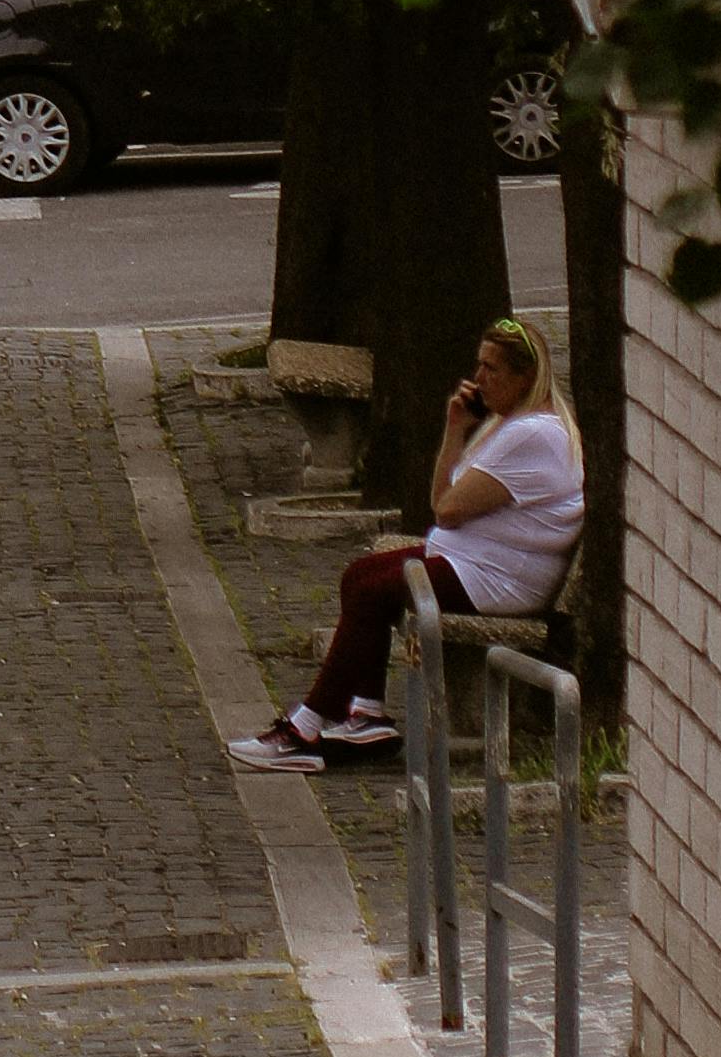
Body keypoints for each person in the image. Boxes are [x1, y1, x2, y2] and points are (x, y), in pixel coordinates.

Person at [233, 314, 583, 763]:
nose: (478, 379)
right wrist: (456, 428)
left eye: (492, 369)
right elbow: (442, 498)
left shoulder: (532, 434)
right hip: (479, 565)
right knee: (360, 575)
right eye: (479, 365)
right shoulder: (511, 426)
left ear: (526, 378)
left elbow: (448, 511)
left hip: (499, 580)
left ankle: (306, 727)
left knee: (371, 588)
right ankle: (366, 715)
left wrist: (454, 472)